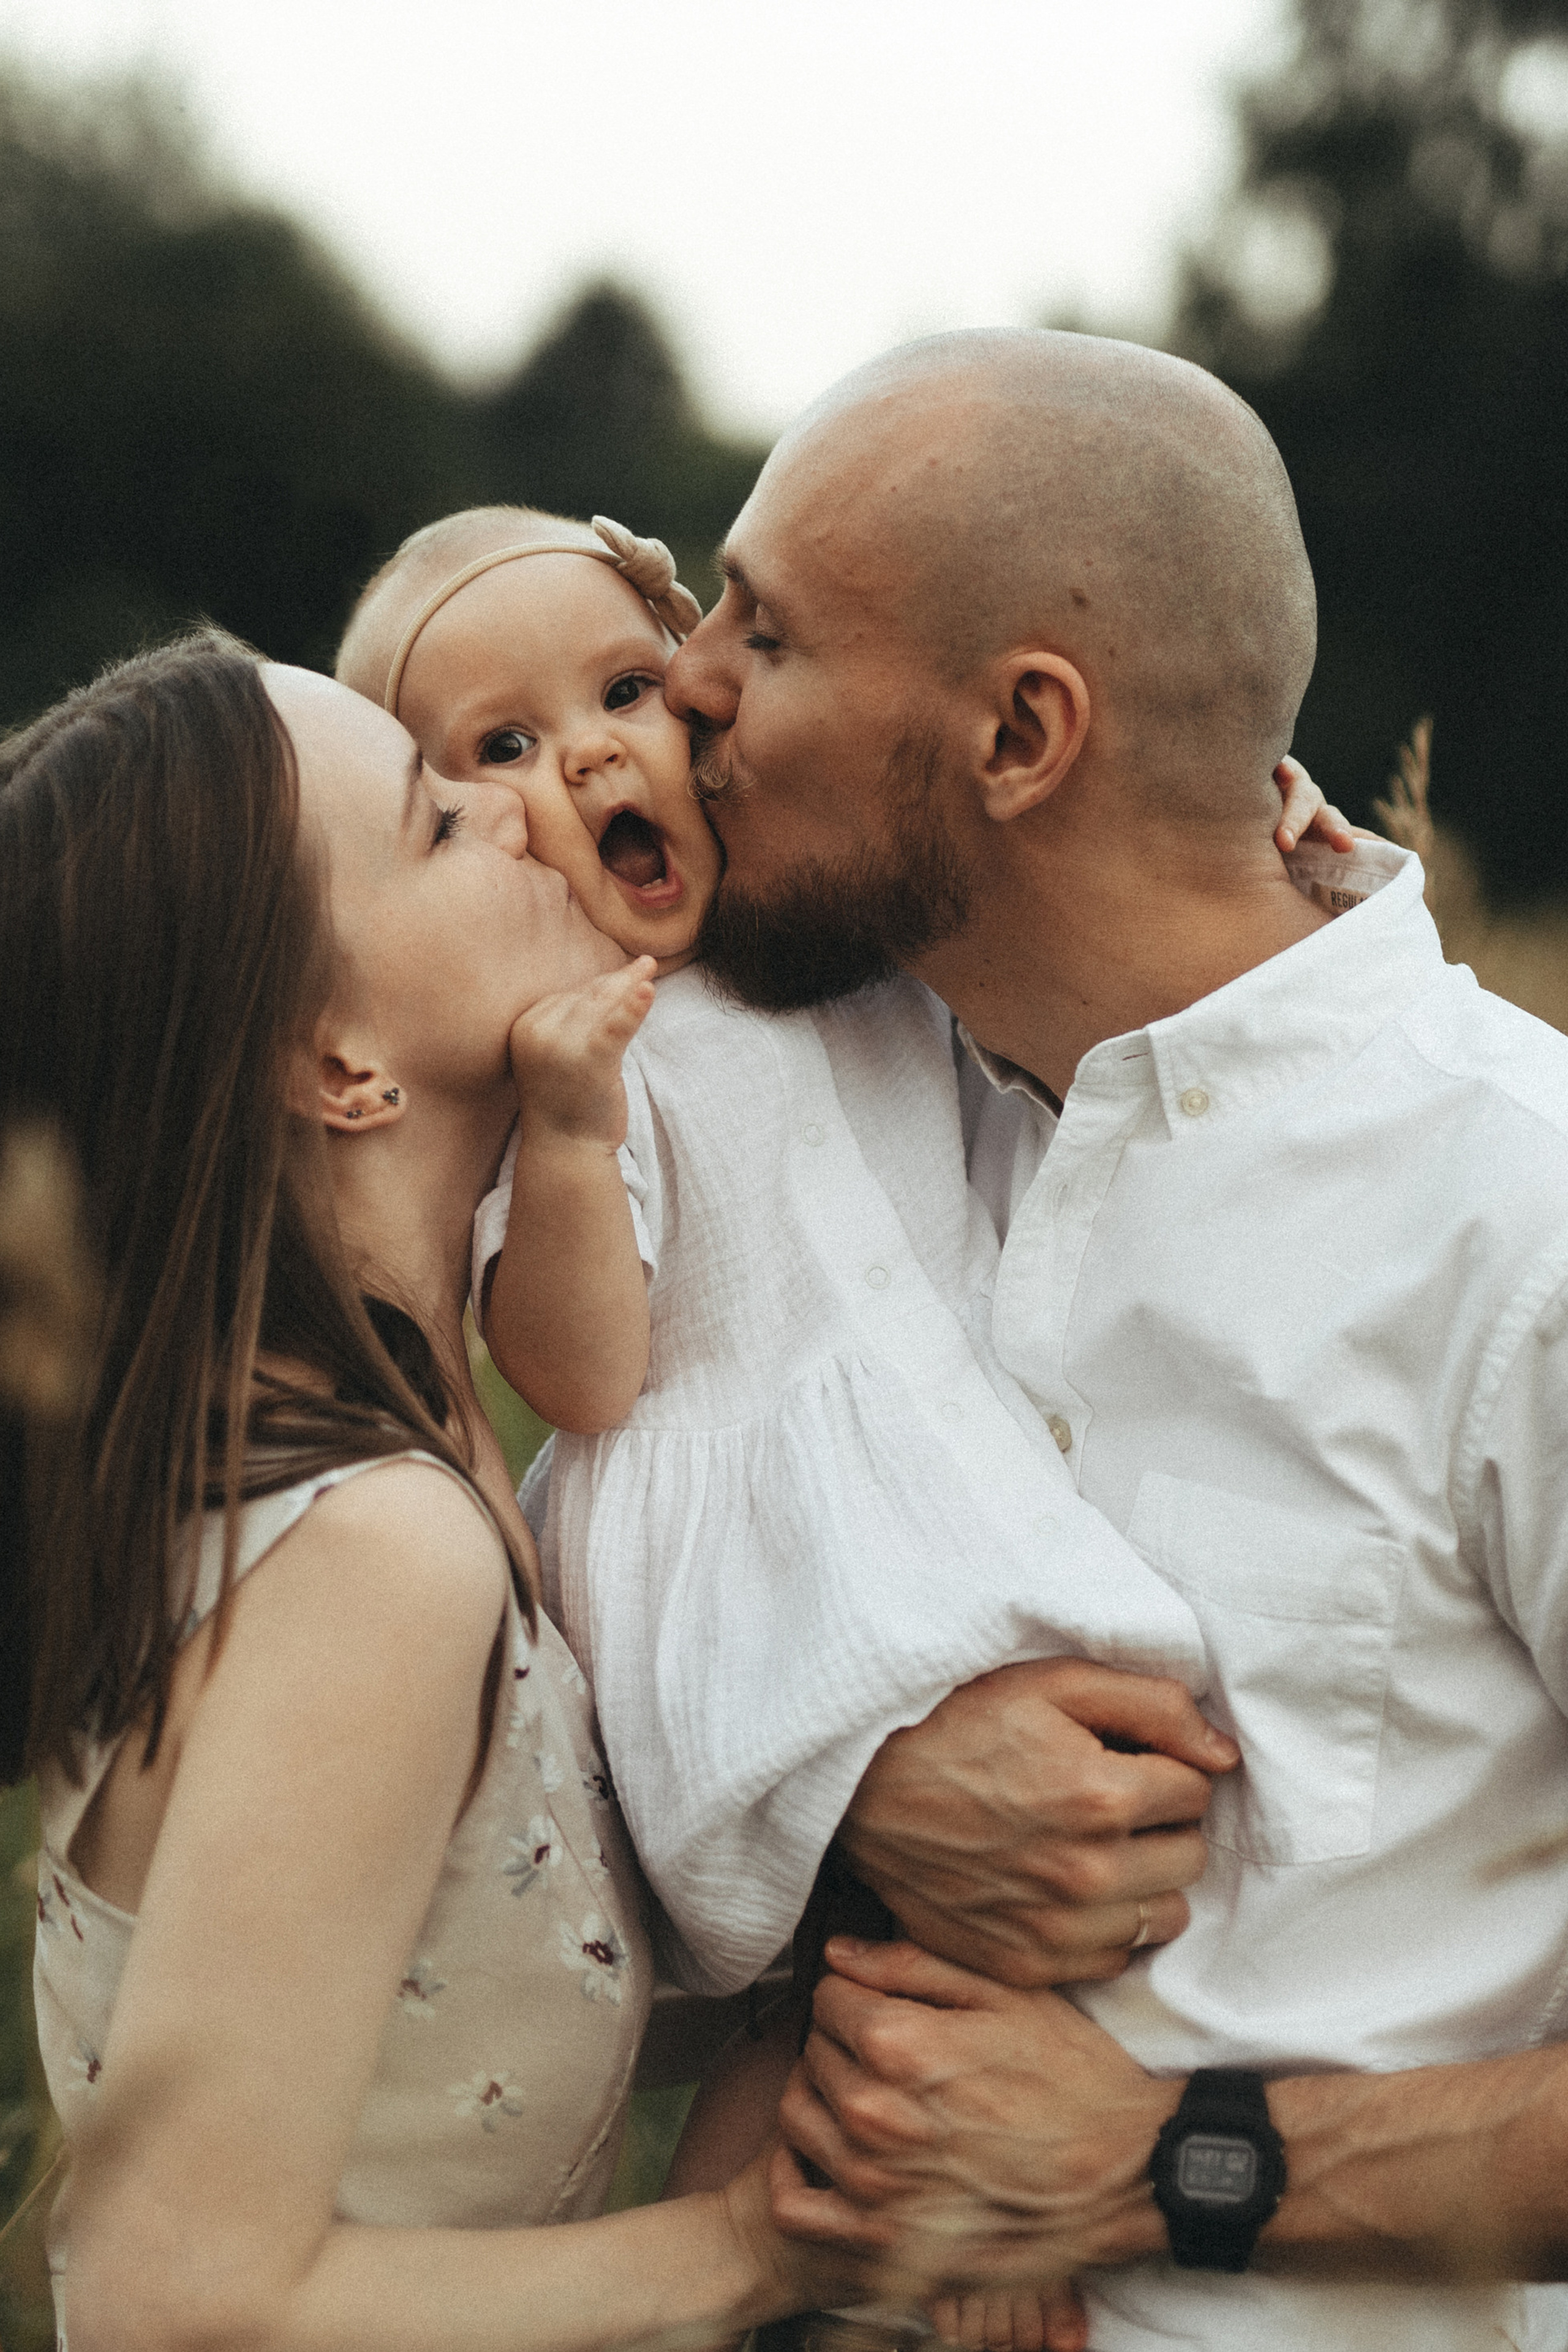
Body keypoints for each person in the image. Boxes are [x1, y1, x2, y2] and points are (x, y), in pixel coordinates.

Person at [655, 327, 1568, 2351]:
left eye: (766, 632)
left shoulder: (1526, 1222)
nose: (687, 681)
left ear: (1019, 735)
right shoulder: (815, 1123)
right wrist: (844, 1782)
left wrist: (1167, 2159)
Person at [334, 505, 1353, 2016]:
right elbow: (579, 1378)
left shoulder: (842, 942)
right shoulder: (569, 1051)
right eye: (503, 747)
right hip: (772, 1571)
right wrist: (568, 1131)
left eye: (626, 691)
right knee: (849, 1994)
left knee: (1051, 1914)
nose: (593, 756)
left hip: (971, 1477)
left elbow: (1063, 938)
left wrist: (1234, 833)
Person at [0, 635, 872, 2352]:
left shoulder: (398, 1454)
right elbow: (177, 2295)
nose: (518, 808)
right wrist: (767, 2250)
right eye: (436, 820)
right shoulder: (371, 1558)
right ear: (337, 1066)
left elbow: (453, 2017)